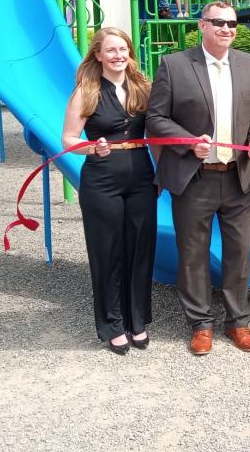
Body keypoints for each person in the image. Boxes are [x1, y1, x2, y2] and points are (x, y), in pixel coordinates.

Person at [146, 1, 250, 356]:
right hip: (195, 177)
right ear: (202, 26)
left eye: (232, 23)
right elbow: (155, 119)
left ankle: (238, 321)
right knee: (193, 253)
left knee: (238, 253)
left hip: (239, 177)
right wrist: (187, 143)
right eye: (218, 23)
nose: (227, 29)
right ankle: (200, 324)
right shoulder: (174, 65)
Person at [62, 27, 157, 355]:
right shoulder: (85, 92)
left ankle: (137, 321)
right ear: (98, 55)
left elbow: (161, 128)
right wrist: (90, 148)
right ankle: (112, 325)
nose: (119, 55)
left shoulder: (143, 87)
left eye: (124, 49)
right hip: (102, 180)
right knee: (108, 252)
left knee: (140, 249)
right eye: (111, 50)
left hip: (141, 177)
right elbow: (69, 139)